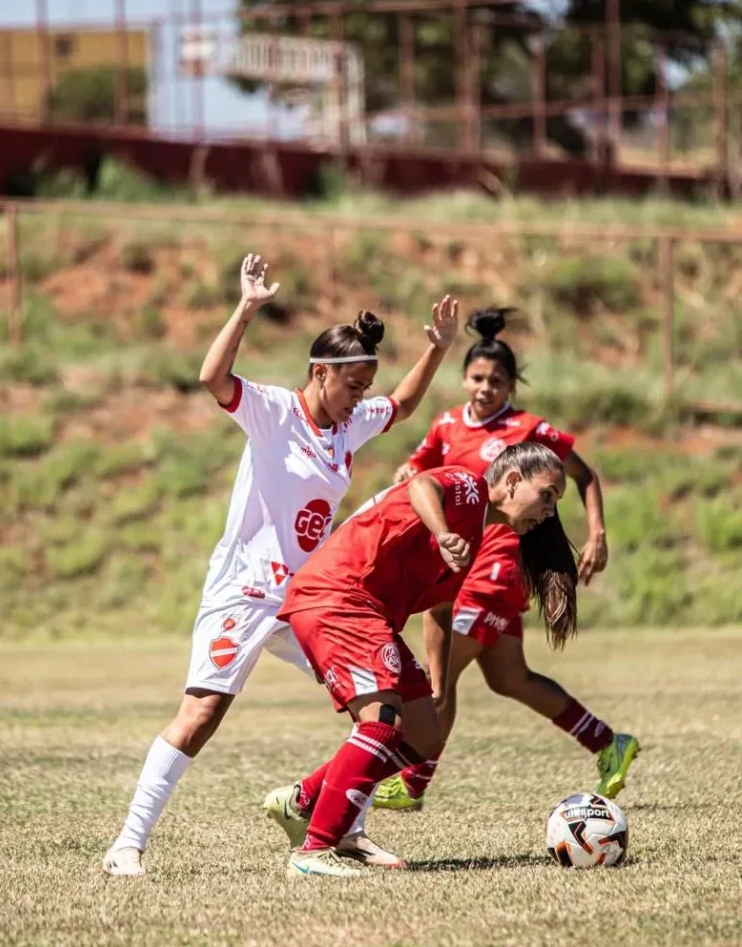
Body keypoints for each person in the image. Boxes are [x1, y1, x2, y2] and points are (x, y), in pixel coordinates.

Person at [102, 254, 460, 876]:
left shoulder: (349, 425)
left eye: (365, 389)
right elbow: (212, 377)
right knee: (201, 715)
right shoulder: (272, 410)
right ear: (321, 372)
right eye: (353, 386)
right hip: (243, 592)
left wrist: (438, 348)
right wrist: (245, 309)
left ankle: (345, 830)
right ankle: (126, 845)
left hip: (310, 599)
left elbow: (402, 403)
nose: (360, 400)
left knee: (379, 709)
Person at [264, 442, 578, 877]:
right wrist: (442, 532)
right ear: (511, 481)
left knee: (425, 734)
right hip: (338, 597)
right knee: (382, 722)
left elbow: (441, 611)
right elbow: (421, 486)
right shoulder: (468, 487)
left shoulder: (477, 536)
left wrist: (439, 682)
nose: (549, 510)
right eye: (547, 494)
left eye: (556, 500)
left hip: (367, 612)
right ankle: (313, 852)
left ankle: (301, 801)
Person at [373, 307, 639, 813]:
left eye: (496, 380)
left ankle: (411, 782)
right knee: (508, 678)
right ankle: (609, 743)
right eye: (477, 378)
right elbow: (420, 469)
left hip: (495, 569)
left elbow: (584, 475)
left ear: (511, 385)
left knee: (439, 677)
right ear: (464, 379)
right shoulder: (447, 424)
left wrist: (597, 533)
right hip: (460, 565)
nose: (485, 388)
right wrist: (406, 470)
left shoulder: (527, 428)